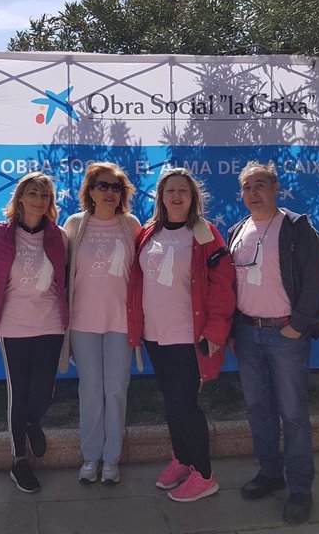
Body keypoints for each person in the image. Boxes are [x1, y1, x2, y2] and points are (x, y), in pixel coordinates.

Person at [227, 161, 319, 525]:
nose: (253, 194)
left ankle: (300, 489)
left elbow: (317, 280)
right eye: (247, 188)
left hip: (285, 335)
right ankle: (270, 473)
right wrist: (232, 330)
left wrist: (298, 326)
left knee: (294, 414)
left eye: (260, 186)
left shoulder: (297, 227)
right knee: (258, 408)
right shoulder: (237, 231)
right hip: (248, 333)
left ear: (275, 188)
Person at [127, 167, 236, 502]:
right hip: (155, 336)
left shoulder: (204, 233)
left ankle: (204, 474)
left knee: (185, 405)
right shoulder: (148, 232)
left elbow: (222, 285)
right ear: (160, 196)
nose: (176, 197)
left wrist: (215, 331)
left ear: (193, 197)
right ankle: (183, 459)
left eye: (183, 191)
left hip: (188, 337)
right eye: (169, 191)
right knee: (172, 404)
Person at [62, 162, 142, 485]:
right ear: (90, 191)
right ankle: (91, 456)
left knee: (117, 390)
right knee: (91, 390)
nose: (109, 193)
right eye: (103, 186)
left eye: (116, 187)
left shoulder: (131, 225)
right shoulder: (74, 225)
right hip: (83, 323)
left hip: (120, 323)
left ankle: (111, 459)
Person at [0, 172, 69, 493]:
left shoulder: (59, 236)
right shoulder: (1, 235)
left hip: (50, 323)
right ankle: (18, 460)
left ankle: (33, 421)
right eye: (33, 193)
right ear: (20, 197)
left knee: (44, 391)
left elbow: (63, 280)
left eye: (45, 196)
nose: (39, 200)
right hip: (14, 325)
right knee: (17, 393)